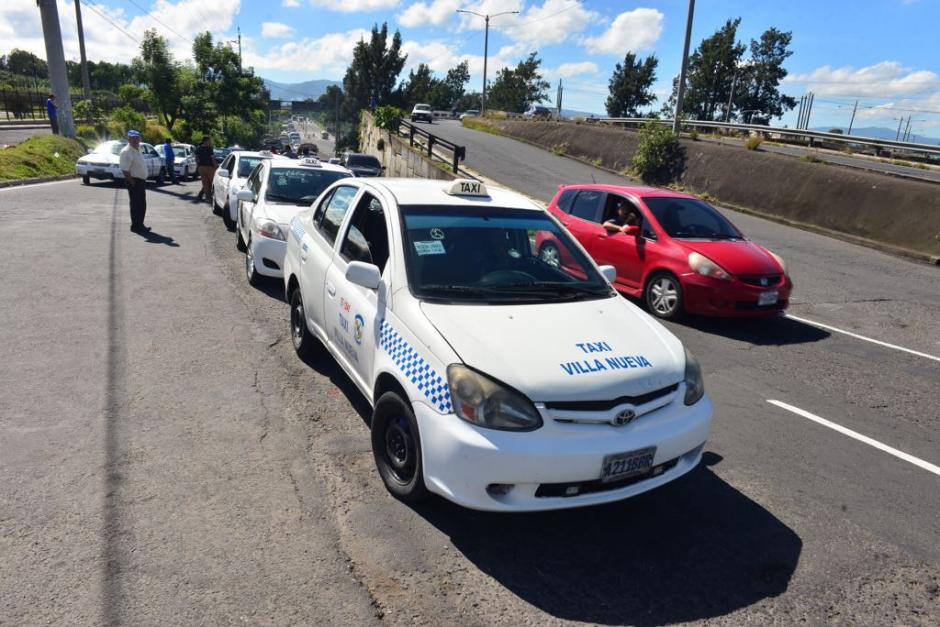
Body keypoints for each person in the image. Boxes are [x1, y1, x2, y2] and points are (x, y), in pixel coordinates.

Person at [119, 130, 150, 232]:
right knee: (136, 204)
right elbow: (124, 169)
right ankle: (135, 226)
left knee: (141, 204)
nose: (136, 140)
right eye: (133, 138)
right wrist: (132, 182)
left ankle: (140, 224)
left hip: (141, 181)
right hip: (134, 181)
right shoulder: (126, 151)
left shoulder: (137, 149)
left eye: (137, 138)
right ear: (129, 139)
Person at [194, 135, 216, 202]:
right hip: (209, 167)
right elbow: (212, 158)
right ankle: (207, 197)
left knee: (205, 183)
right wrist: (216, 166)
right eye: (209, 140)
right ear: (206, 141)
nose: (210, 142)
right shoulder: (209, 148)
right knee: (211, 182)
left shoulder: (198, 148)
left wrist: (198, 166)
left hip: (201, 167)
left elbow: (196, 158)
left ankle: (204, 196)